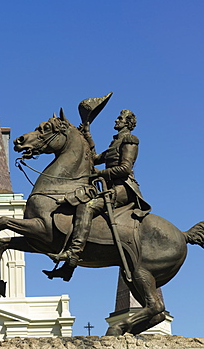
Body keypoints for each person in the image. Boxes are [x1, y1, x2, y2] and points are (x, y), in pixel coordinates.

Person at [44, 109, 151, 281]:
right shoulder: (115, 142)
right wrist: (87, 134)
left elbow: (125, 168)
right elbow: (94, 157)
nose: (116, 120)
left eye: (120, 118)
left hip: (123, 188)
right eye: (118, 117)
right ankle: (68, 269)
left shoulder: (130, 140)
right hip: (110, 187)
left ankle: (74, 252)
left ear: (128, 123)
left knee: (88, 206)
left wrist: (101, 173)